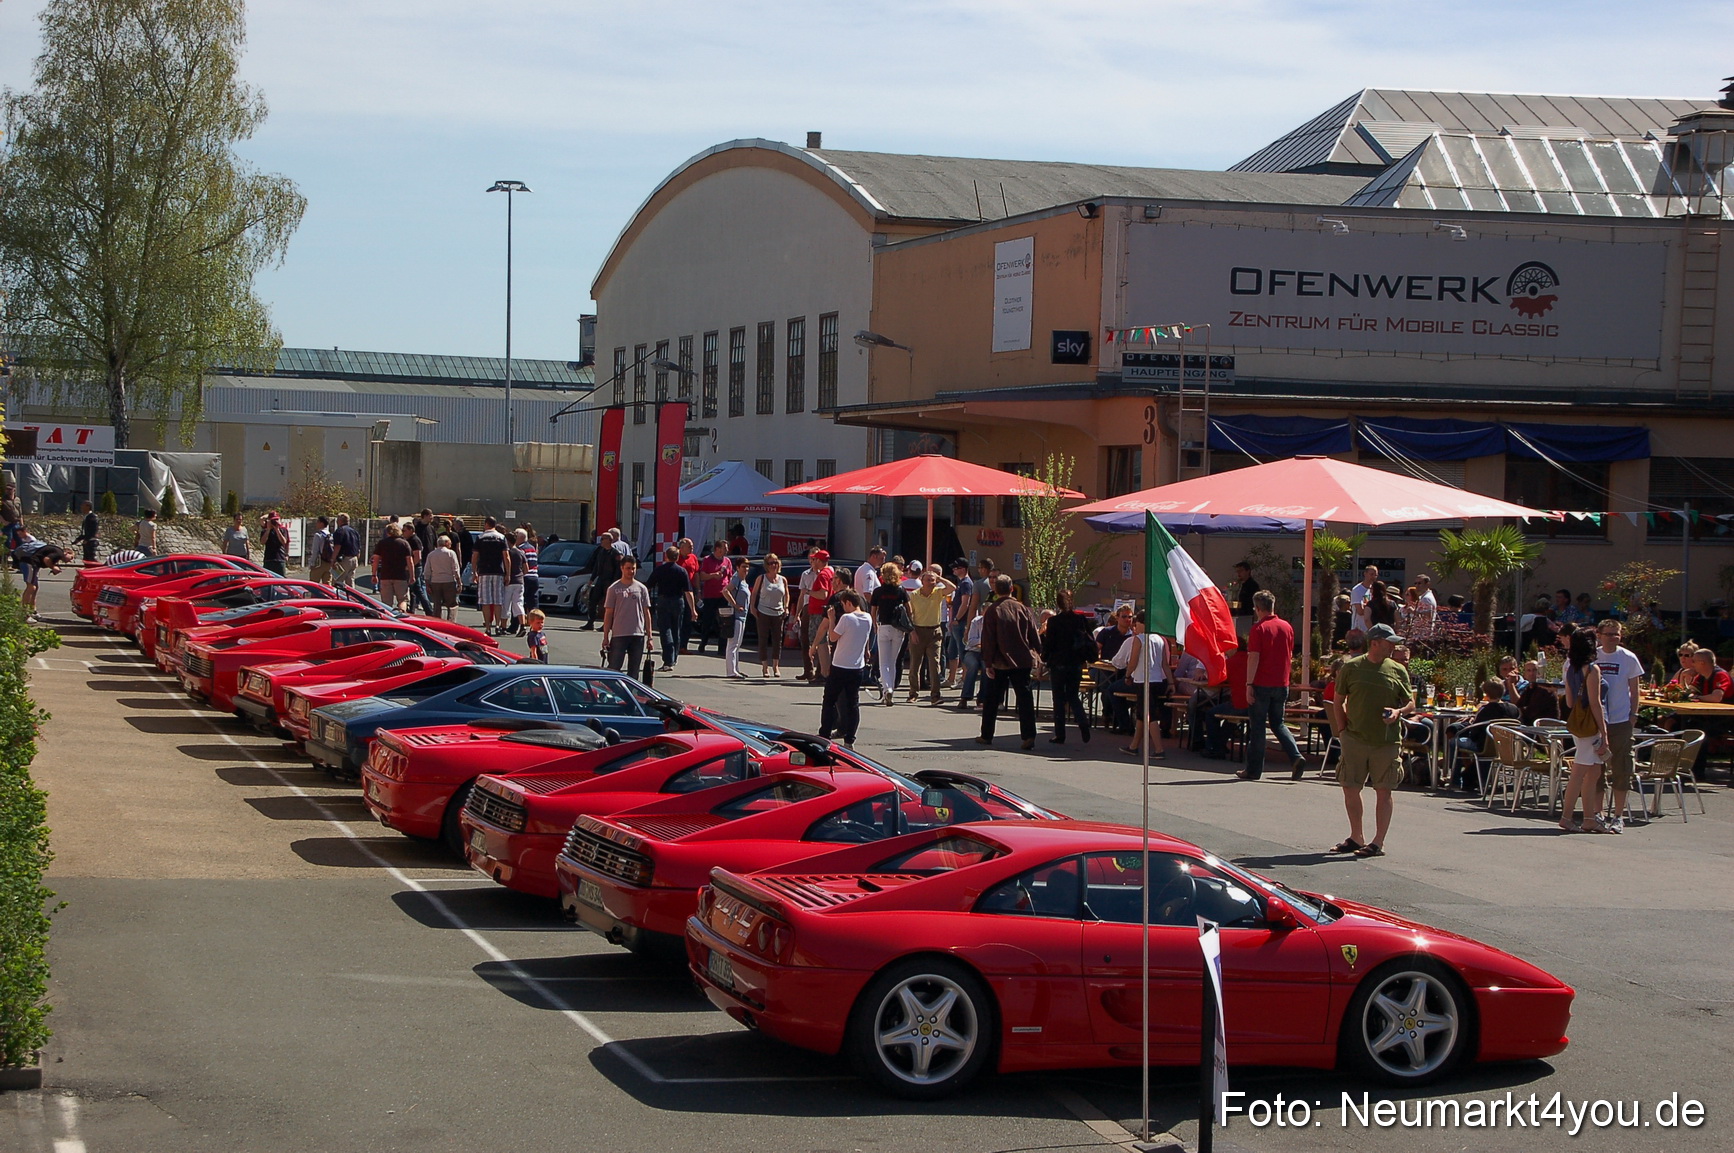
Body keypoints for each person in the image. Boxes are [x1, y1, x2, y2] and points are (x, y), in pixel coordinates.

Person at [1328, 622, 1413, 859]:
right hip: (1354, 737)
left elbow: (1410, 702)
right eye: (1389, 643)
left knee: (1384, 790)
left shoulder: (1397, 669)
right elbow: (1338, 700)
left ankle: (1378, 842)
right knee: (1350, 786)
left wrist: (1399, 712)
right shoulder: (1352, 667)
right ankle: (1357, 836)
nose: (1393, 647)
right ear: (1375, 642)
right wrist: (1342, 729)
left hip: (1385, 741)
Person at [1236, 590, 1308, 781]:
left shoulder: (1258, 629)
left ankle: (1253, 770)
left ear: (1258, 609)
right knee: (1278, 723)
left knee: (1257, 727)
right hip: (1281, 683)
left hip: (1261, 683)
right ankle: (1295, 756)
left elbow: (1254, 657)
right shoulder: (1287, 627)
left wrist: (1248, 684)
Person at [976, 573, 1040, 749]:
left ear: (995, 590)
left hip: (1000, 662)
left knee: (992, 700)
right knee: (1025, 698)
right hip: (1022, 660)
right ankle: (1029, 735)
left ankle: (986, 734)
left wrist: (987, 662)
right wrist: (1039, 652)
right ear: (1012, 589)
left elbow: (988, 639)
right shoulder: (1023, 609)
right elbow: (1033, 634)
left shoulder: (993, 610)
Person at [1559, 626, 1612, 833]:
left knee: (1593, 771)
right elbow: (1596, 703)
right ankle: (1567, 816)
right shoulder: (1592, 669)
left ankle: (1589, 817)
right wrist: (1604, 733)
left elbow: (1570, 702)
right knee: (1580, 771)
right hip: (1591, 725)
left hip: (1578, 724)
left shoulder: (1570, 668)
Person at [1593, 618, 1644, 831]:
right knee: (1596, 769)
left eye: (1617, 634)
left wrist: (1633, 715)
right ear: (1600, 635)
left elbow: (1635, 689)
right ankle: (1597, 813)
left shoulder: (1628, 658)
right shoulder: (1593, 656)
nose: (1613, 638)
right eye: (1609, 634)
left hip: (1621, 720)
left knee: (1622, 767)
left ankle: (1618, 816)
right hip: (1597, 721)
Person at [1111, 612, 1170, 757]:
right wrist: (1171, 681)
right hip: (1158, 680)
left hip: (1144, 680)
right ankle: (1134, 746)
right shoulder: (1160, 639)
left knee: (1150, 715)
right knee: (1141, 715)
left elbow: (1133, 661)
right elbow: (1165, 664)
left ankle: (1159, 749)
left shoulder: (1140, 639)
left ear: (1141, 623)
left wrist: (1127, 675)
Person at [819, 588, 872, 747]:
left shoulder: (847, 618)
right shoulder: (867, 617)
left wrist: (832, 618)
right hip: (856, 667)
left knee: (829, 700)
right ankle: (850, 738)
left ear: (849, 603)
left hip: (840, 664)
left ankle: (825, 734)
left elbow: (833, 637)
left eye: (843, 604)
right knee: (852, 703)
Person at [1041, 589, 1095, 744]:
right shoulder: (1080, 620)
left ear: (1058, 603)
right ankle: (1082, 721)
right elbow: (1088, 639)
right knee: (1072, 695)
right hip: (1076, 662)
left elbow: (1049, 645)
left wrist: (1044, 656)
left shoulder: (1054, 622)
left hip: (1058, 663)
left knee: (1058, 699)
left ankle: (1060, 734)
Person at [1452, 680, 1520, 792]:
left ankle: (1455, 779)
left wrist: (1470, 723)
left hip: (1484, 746)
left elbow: (1474, 733)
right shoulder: (1514, 709)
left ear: (1486, 694)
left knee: (1454, 742)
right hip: (1506, 747)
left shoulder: (1485, 710)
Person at [905, 564, 955, 704]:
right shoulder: (914, 595)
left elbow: (952, 588)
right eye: (928, 580)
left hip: (934, 631)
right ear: (922, 581)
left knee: (934, 664)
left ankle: (935, 695)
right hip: (918, 630)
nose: (931, 583)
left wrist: (939, 577)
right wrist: (912, 632)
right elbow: (909, 615)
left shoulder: (938, 592)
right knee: (915, 664)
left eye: (933, 580)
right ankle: (913, 693)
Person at [647, 545, 697, 672]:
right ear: (677, 557)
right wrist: (693, 609)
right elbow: (688, 591)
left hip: (663, 600)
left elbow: (648, 586)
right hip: (678, 601)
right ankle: (673, 659)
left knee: (665, 631)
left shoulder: (660, 570)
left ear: (666, 556)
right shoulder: (681, 571)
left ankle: (668, 660)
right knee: (676, 630)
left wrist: (644, 602)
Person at [602, 556, 653, 675]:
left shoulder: (642, 588)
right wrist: (605, 636)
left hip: (637, 634)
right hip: (619, 634)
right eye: (628, 568)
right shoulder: (614, 588)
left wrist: (649, 637)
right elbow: (608, 613)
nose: (631, 571)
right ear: (622, 568)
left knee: (634, 671)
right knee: (614, 668)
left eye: (633, 568)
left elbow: (646, 613)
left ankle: (632, 692)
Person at [868, 561, 910, 702]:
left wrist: (875, 625)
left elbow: (873, 611)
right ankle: (890, 689)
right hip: (898, 628)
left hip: (883, 626)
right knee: (893, 661)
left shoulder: (878, 591)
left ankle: (888, 689)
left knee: (883, 662)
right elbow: (909, 609)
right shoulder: (901, 590)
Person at [796, 548, 835, 678]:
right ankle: (824, 672)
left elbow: (823, 594)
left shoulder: (823, 574)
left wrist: (808, 592)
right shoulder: (830, 571)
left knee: (820, 641)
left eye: (815, 559)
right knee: (821, 640)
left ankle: (824, 672)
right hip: (821, 610)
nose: (813, 561)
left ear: (819, 560)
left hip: (819, 612)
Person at [751, 553, 791, 677]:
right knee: (763, 639)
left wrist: (786, 607)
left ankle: (776, 666)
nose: (773, 565)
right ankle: (764, 666)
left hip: (778, 612)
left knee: (777, 640)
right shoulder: (761, 578)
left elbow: (786, 595)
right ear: (766, 566)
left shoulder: (782, 579)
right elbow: (754, 593)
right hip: (764, 611)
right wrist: (752, 607)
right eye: (770, 563)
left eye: (775, 562)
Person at [697, 541, 737, 657]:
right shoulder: (707, 560)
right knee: (707, 621)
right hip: (710, 596)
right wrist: (713, 575)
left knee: (724, 622)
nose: (726, 550)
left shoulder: (727, 561)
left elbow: (730, 577)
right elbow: (702, 576)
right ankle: (703, 642)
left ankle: (722, 648)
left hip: (723, 596)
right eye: (724, 548)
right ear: (717, 548)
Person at [12, 534, 66, 620]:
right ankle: (24, 614)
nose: (70, 560)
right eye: (72, 557)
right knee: (31, 587)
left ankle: (33, 611)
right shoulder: (59, 553)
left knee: (35, 587)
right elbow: (46, 560)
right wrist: (53, 567)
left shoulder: (55, 552)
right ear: (67, 552)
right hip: (29, 563)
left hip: (33, 564)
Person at [472, 517, 509, 635]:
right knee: (498, 600)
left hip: (484, 571)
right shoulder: (501, 537)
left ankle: (488, 627)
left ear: (486, 524)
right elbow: (506, 557)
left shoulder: (480, 537)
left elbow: (475, 556)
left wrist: (474, 572)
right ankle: (498, 625)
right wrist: (507, 573)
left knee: (486, 600)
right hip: (498, 571)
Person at [944, 558, 977, 690]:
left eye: (956, 568)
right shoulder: (961, 582)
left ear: (963, 569)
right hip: (956, 622)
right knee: (952, 651)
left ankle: (964, 679)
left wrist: (957, 618)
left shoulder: (966, 584)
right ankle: (951, 678)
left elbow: (966, 603)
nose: (954, 570)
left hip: (961, 622)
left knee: (963, 652)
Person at [371, 522, 415, 609]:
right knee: (402, 600)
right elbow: (410, 561)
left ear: (388, 532)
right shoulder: (404, 543)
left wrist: (374, 574)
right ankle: (402, 615)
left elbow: (375, 560)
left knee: (386, 603)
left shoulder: (382, 543)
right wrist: (412, 575)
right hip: (400, 576)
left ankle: (388, 619)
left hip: (385, 575)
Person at [585, 531, 623, 630]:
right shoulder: (601, 552)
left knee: (608, 604)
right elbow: (597, 567)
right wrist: (591, 580)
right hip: (601, 580)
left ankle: (607, 625)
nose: (601, 541)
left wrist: (614, 583)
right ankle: (590, 622)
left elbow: (618, 570)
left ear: (609, 540)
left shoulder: (615, 553)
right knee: (592, 600)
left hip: (610, 581)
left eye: (603, 539)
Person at [722, 556, 752, 680]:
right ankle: (731, 671)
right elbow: (725, 591)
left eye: (747, 566)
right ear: (737, 567)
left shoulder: (743, 580)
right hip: (736, 616)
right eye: (743, 566)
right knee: (733, 644)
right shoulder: (736, 579)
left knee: (737, 644)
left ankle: (736, 668)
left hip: (742, 616)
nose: (746, 569)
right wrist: (735, 605)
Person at [424, 534, 461, 619]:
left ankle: (437, 622)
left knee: (437, 605)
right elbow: (455, 569)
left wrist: (427, 584)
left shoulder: (431, 555)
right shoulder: (451, 553)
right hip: (449, 581)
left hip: (435, 581)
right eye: (450, 543)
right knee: (451, 605)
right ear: (447, 543)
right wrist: (459, 582)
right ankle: (451, 622)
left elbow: (427, 571)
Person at [957, 602, 986, 710]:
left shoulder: (996, 623)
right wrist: (986, 641)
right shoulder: (976, 621)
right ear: (982, 611)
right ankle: (965, 697)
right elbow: (971, 641)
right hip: (972, 652)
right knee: (973, 666)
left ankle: (982, 698)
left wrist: (983, 643)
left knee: (986, 667)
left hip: (986, 653)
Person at [503, 530, 530, 635]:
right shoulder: (521, 552)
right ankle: (522, 625)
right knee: (518, 603)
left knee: (506, 604)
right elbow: (526, 568)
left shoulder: (507, 552)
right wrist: (521, 574)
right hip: (519, 581)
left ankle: (503, 626)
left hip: (509, 581)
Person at [331, 513, 361, 589]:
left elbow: (337, 546)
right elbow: (358, 548)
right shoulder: (354, 532)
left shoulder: (339, 531)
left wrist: (333, 559)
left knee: (338, 581)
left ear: (340, 521)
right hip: (354, 558)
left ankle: (338, 599)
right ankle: (351, 599)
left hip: (343, 560)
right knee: (350, 582)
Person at [1230, 560, 1259, 639]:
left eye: (1241, 571)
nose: (1239, 573)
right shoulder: (1242, 585)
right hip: (1241, 615)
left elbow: (1254, 602)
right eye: (1238, 571)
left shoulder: (1252, 585)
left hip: (1248, 615)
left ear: (1248, 571)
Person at [1349, 565, 1378, 634]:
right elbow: (1360, 611)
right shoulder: (1357, 590)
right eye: (1371, 574)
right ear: (1365, 574)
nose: (1373, 577)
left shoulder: (1374, 590)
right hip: (1359, 628)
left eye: (1375, 575)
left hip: (1370, 628)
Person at [307, 516, 334, 584]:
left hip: (320, 563)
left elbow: (315, 551)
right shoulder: (330, 535)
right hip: (329, 562)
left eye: (318, 522)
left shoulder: (318, 535)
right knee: (327, 584)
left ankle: (315, 595)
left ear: (321, 523)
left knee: (313, 584)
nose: (316, 524)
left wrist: (312, 563)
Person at [75, 501, 101, 565]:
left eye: (83, 505)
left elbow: (93, 530)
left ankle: (97, 572)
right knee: (86, 560)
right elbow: (85, 531)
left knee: (92, 559)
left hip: (91, 541)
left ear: (88, 506)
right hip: (87, 541)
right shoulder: (86, 516)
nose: (81, 507)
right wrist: (78, 539)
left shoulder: (93, 517)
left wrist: (87, 539)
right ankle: (87, 573)